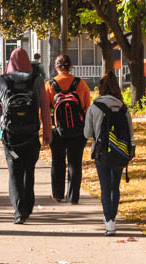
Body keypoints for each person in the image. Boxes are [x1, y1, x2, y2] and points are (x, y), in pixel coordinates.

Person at [0, 47, 52, 224]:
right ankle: (28, 205)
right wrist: (47, 133)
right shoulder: (37, 80)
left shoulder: (2, 81)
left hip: (10, 136)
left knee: (14, 171)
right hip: (31, 135)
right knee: (29, 171)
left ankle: (18, 211)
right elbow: (45, 109)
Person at [84, 71, 134, 236]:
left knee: (105, 186)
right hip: (120, 151)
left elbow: (87, 133)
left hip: (101, 152)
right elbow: (130, 133)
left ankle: (109, 222)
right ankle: (113, 215)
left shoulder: (94, 107)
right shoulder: (123, 107)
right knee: (115, 186)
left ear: (100, 87)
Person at [45, 53, 91, 204]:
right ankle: (73, 197)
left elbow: (44, 110)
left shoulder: (50, 85)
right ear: (70, 67)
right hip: (77, 129)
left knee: (57, 162)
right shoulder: (80, 83)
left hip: (57, 129)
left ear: (55, 67)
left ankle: (57, 194)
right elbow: (86, 106)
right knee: (75, 163)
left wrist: (46, 129)